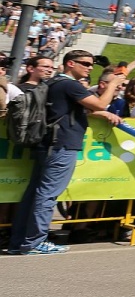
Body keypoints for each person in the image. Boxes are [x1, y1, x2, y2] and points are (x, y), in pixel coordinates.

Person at [9, 49, 123, 255]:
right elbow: (99, 103)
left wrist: (101, 112)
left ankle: (20, 241)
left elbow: (85, 109)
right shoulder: (69, 84)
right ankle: (34, 242)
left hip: (49, 143)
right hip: (61, 145)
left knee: (35, 194)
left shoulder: (53, 82)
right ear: (70, 63)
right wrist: (113, 85)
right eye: (85, 64)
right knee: (47, 195)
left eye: (91, 65)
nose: (90, 68)